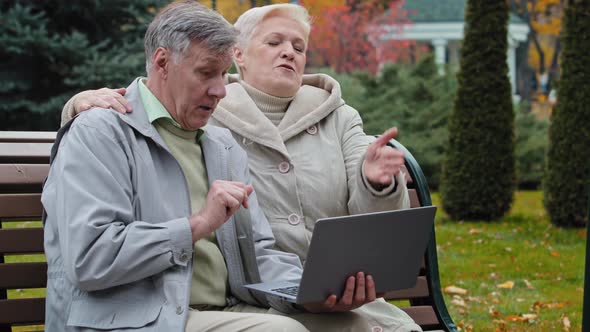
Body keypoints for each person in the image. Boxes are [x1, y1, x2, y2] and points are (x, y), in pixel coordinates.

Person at [60, 3, 422, 332]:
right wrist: (197, 225)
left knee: (355, 327)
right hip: (137, 316)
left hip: (229, 308)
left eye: (222, 75)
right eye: (206, 73)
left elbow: (259, 254)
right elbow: (91, 258)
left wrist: (311, 295)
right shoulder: (103, 130)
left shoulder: (219, 144)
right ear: (162, 62)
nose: (220, 91)